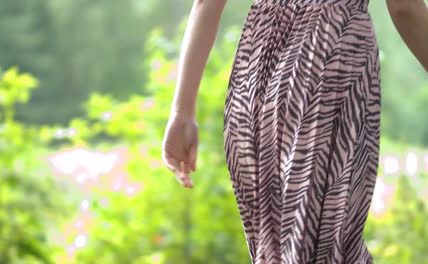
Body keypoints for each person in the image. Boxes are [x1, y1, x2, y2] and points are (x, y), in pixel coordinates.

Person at [161, 0, 428, 263]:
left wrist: (182, 110)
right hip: (328, 59)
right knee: (324, 246)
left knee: (274, 248)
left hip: (255, 67)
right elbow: (405, 8)